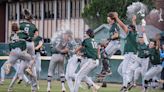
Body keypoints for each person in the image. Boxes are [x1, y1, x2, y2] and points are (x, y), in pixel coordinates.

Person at [117, 14, 139, 92]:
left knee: (124, 71)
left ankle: (125, 86)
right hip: (129, 54)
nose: (127, 28)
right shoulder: (133, 34)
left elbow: (123, 26)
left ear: (131, 29)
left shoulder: (132, 34)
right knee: (120, 70)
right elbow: (134, 28)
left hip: (130, 54)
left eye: (129, 28)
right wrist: (133, 21)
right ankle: (129, 82)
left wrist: (117, 18)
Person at [19, 9, 38, 74]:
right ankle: (29, 68)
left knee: (23, 59)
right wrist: (32, 38)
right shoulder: (33, 25)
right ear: (31, 19)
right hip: (30, 43)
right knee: (33, 58)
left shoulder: (21, 24)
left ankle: (20, 75)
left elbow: (17, 33)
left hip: (23, 42)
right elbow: (36, 35)